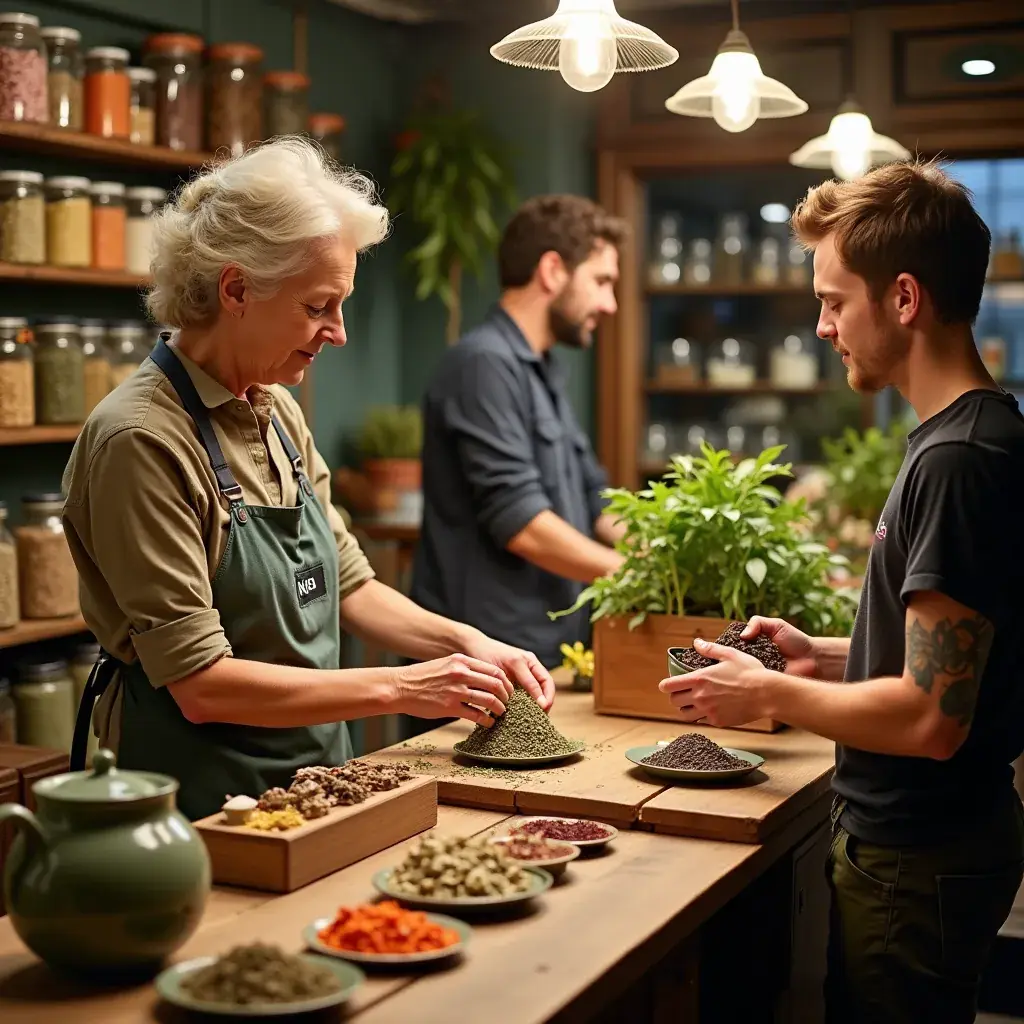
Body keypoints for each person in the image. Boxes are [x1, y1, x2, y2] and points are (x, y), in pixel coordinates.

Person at [61, 137, 554, 822]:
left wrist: (466, 643)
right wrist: (403, 688)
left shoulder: (276, 410)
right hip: (205, 806)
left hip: (318, 784)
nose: (339, 332)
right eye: (319, 305)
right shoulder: (141, 440)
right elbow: (201, 684)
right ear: (237, 289)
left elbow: (350, 585)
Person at [659, 161, 1024, 1024]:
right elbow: (949, 665)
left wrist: (766, 693)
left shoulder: (958, 461)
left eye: (832, 302)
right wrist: (820, 656)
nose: (822, 327)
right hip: (928, 846)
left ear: (904, 298)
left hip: (914, 857)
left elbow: (932, 720)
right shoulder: (970, 433)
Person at [410, 195, 627, 674]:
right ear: (552, 271)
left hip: (546, 650)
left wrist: (666, 553)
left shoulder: (541, 369)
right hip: (483, 664)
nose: (609, 304)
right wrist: (634, 573)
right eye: (601, 281)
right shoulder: (482, 364)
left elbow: (595, 498)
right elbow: (520, 522)